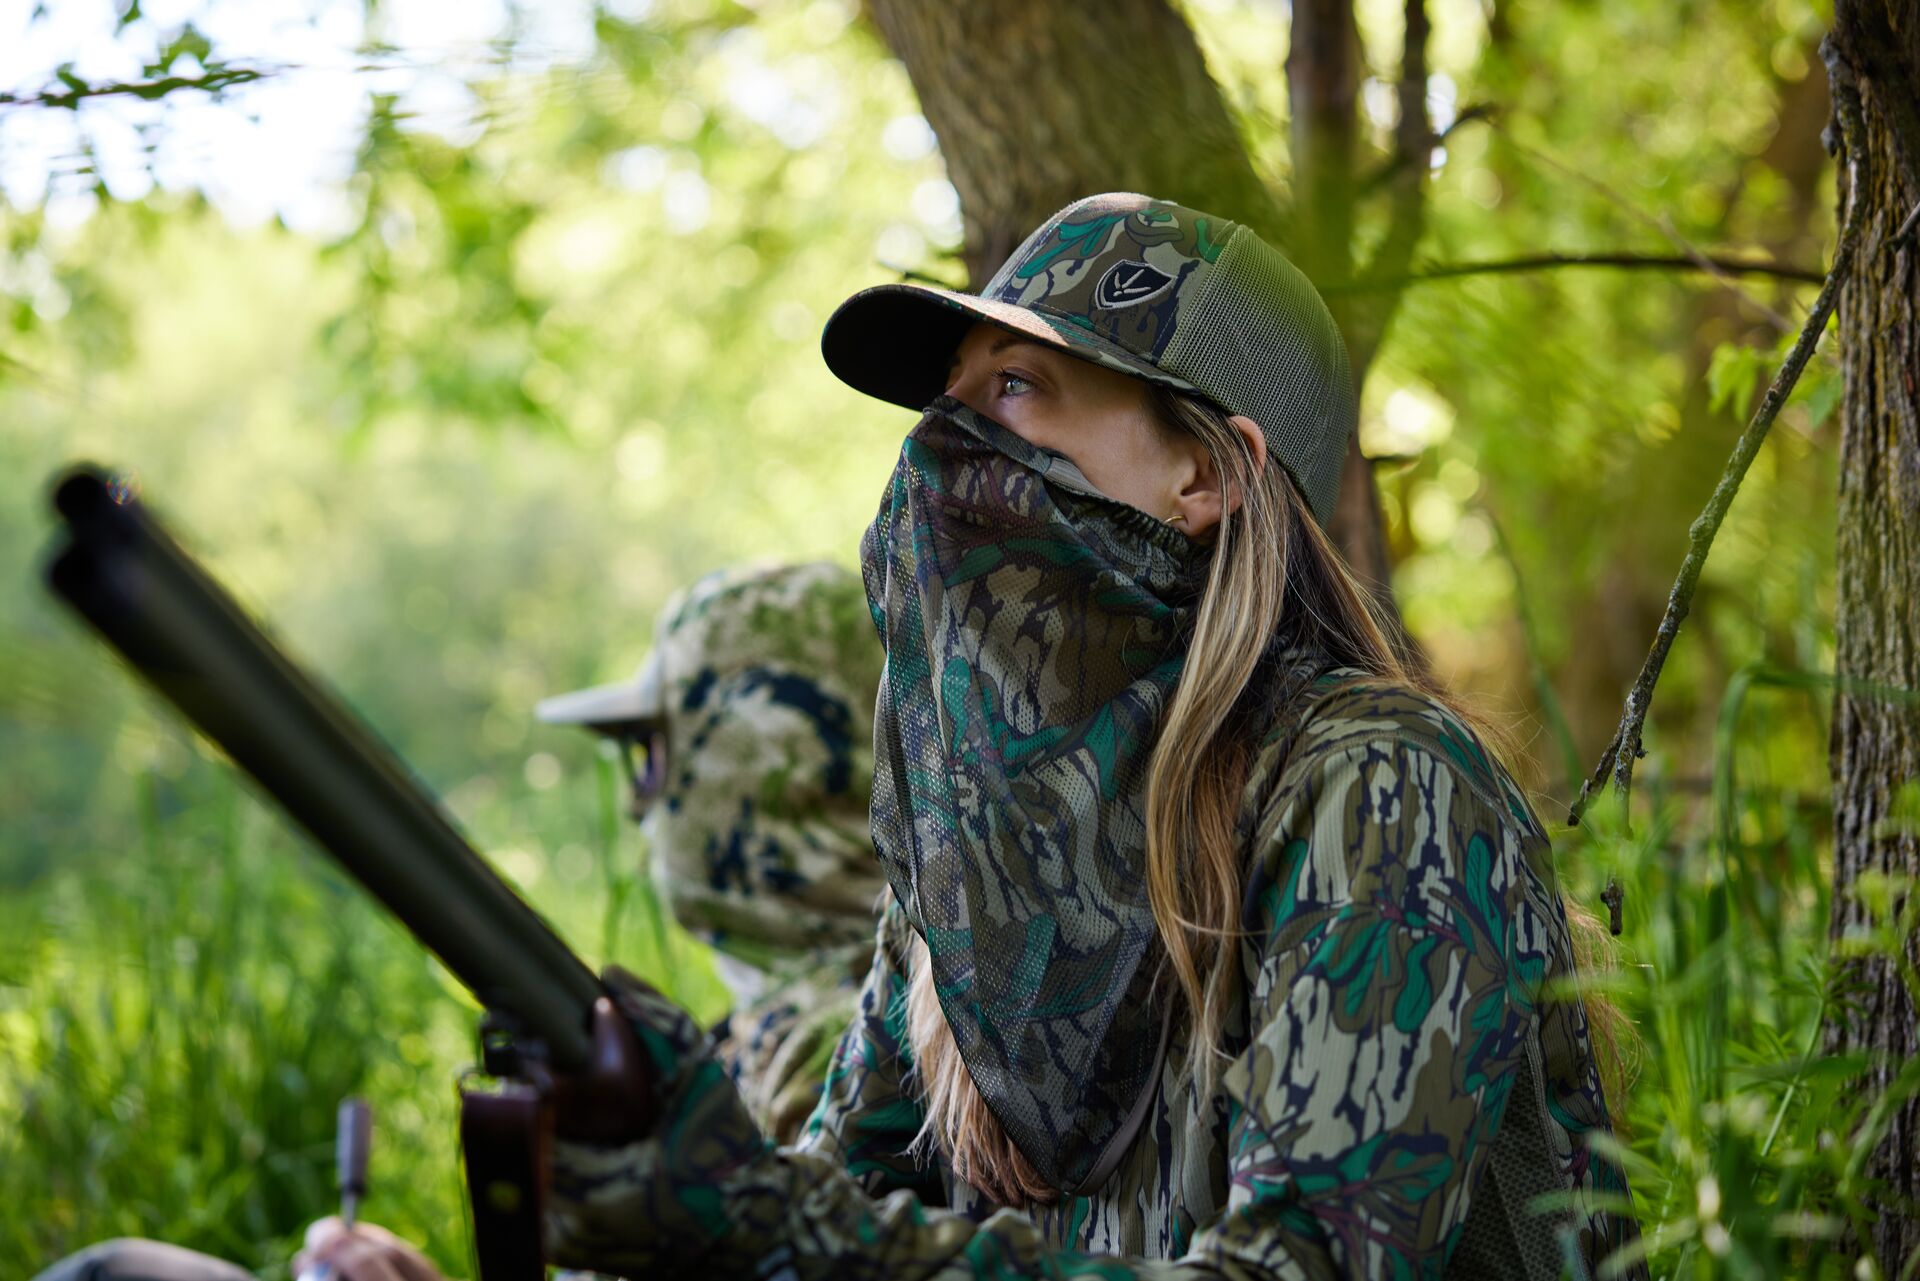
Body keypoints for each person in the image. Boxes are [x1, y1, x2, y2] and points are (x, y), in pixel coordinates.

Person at [312, 191, 1652, 1279]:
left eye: (1015, 390)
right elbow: (818, 1229)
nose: (945, 452)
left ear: (1207, 473)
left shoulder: (1378, 792)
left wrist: (764, 1216)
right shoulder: (967, 879)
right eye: (949, 405)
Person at [534, 560, 887, 1142]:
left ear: (749, 763)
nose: (635, 806)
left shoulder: (855, 1058)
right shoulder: (781, 1030)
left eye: (651, 755)